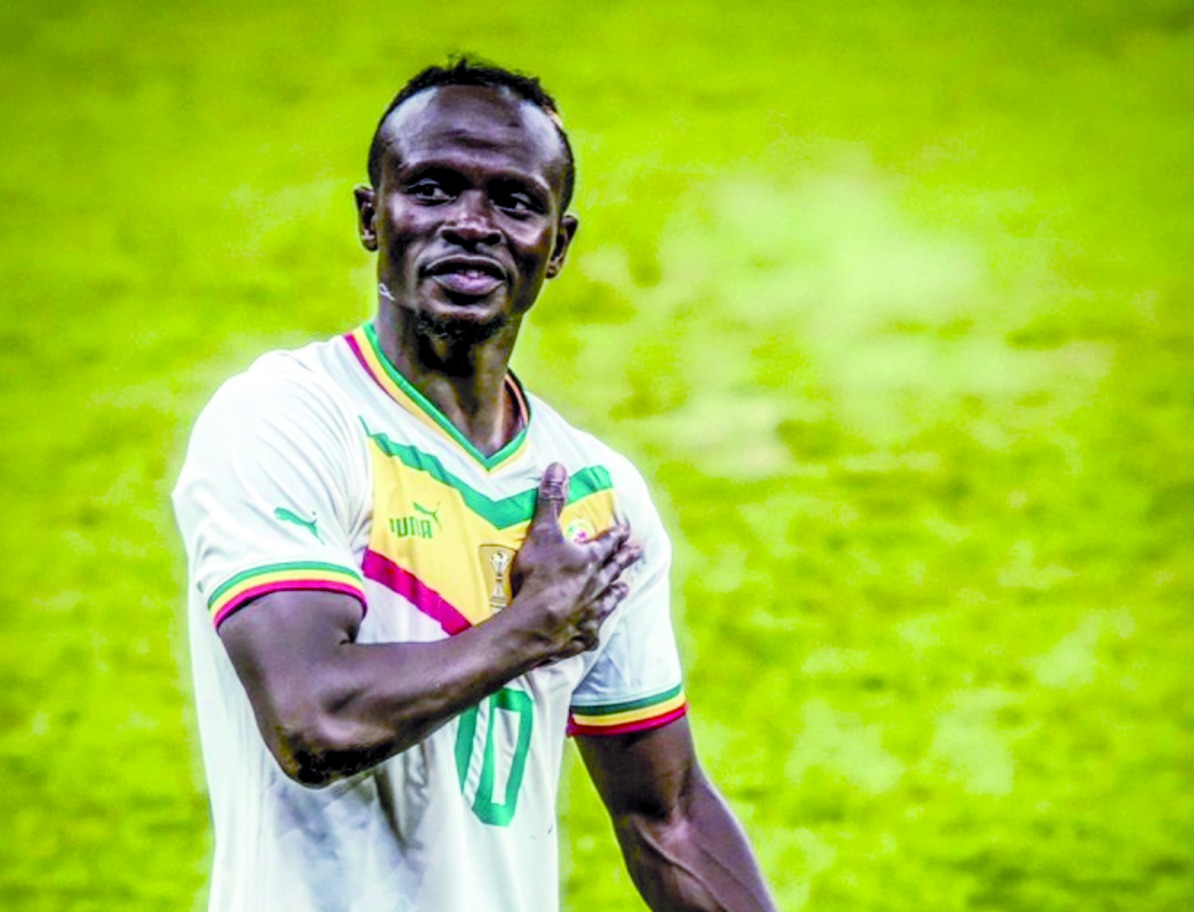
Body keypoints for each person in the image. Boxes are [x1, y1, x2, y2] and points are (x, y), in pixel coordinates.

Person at [173, 60, 776, 912]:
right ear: (372, 216)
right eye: (433, 189)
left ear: (556, 247)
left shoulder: (596, 499)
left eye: (515, 202)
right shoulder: (290, 418)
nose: (470, 224)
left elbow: (665, 818)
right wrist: (529, 629)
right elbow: (312, 719)